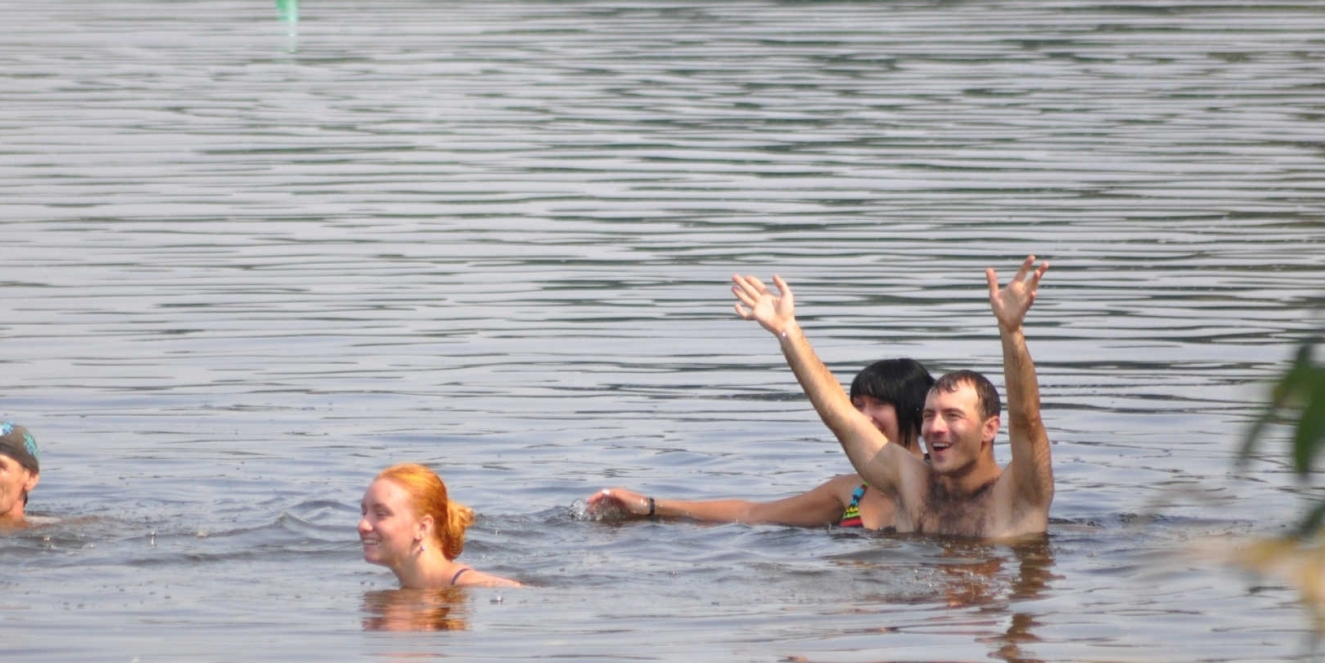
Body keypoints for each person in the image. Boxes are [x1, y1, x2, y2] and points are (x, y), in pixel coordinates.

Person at [731, 257, 1054, 540]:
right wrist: (787, 330)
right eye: (928, 415)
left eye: (952, 416)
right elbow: (841, 417)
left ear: (990, 428)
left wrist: (1011, 332)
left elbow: (1026, 420)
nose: (935, 428)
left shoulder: (1020, 493)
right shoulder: (912, 487)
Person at [585, 358, 933, 529]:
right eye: (856, 406)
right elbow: (754, 514)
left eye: (878, 405)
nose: (863, 418)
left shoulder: (945, 486)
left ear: (915, 412)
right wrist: (649, 506)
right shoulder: (850, 491)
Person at [358, 463, 521, 588]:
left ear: (422, 527)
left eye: (381, 514)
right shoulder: (403, 589)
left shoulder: (476, 587)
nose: (363, 525)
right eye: (364, 512)